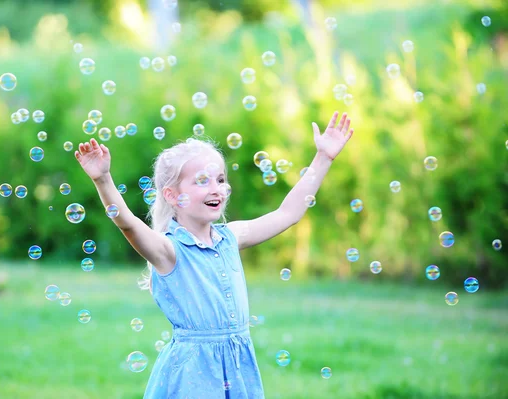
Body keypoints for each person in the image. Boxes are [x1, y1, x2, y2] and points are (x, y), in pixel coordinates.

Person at [75, 111, 354, 398]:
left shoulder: (230, 238)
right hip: (194, 375)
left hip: (236, 368)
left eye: (220, 179)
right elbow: (127, 223)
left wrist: (323, 158)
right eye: (202, 181)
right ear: (172, 196)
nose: (216, 189)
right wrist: (103, 179)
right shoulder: (168, 250)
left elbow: (288, 213)